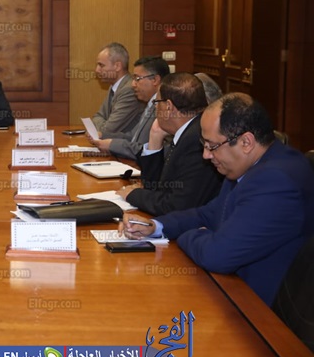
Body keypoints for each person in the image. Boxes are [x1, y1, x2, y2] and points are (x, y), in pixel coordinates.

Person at [121, 93, 314, 306]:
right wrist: (156, 226)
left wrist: (190, 235)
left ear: (246, 142)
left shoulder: (276, 182)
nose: (206, 155)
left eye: (211, 146)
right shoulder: (249, 165)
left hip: (255, 310)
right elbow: (209, 213)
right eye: (203, 144)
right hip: (228, 287)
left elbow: (217, 256)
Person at [116, 73, 222, 214]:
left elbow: (175, 206)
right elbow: (156, 188)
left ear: (168, 107)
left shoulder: (196, 140)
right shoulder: (190, 130)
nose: (155, 108)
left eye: (156, 102)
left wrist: (133, 195)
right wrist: (155, 139)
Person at [89, 56, 170, 160]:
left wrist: (112, 145)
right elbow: (132, 136)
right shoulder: (150, 104)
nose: (133, 84)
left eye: (137, 79)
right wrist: (103, 135)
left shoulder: (164, 109)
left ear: (155, 80)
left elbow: (145, 149)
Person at [91, 42, 145, 137]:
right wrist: (102, 124)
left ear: (117, 66)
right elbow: (97, 116)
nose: (97, 70)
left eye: (101, 65)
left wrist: (102, 125)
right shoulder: (114, 87)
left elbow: (108, 130)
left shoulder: (129, 90)